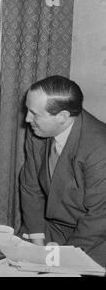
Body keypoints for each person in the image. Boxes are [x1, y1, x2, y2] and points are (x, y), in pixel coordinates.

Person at [20, 75, 106, 267]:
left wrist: (60, 261)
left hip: (96, 238)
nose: (27, 119)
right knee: (13, 262)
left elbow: (99, 217)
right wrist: (38, 242)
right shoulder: (38, 131)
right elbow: (30, 188)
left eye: (34, 113)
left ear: (63, 117)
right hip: (53, 227)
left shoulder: (100, 147)